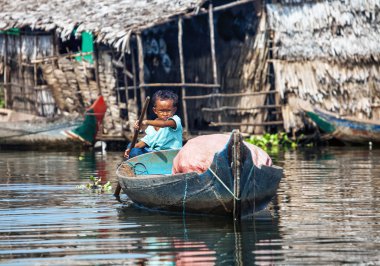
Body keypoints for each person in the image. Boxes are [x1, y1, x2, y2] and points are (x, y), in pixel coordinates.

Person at [124, 90, 183, 158]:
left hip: (171, 156)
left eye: (168, 111)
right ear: (155, 110)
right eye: (161, 111)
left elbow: (163, 124)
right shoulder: (151, 128)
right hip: (156, 157)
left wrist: (145, 122)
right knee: (131, 146)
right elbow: (145, 142)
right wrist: (130, 149)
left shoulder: (175, 120)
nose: (165, 114)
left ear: (174, 110)